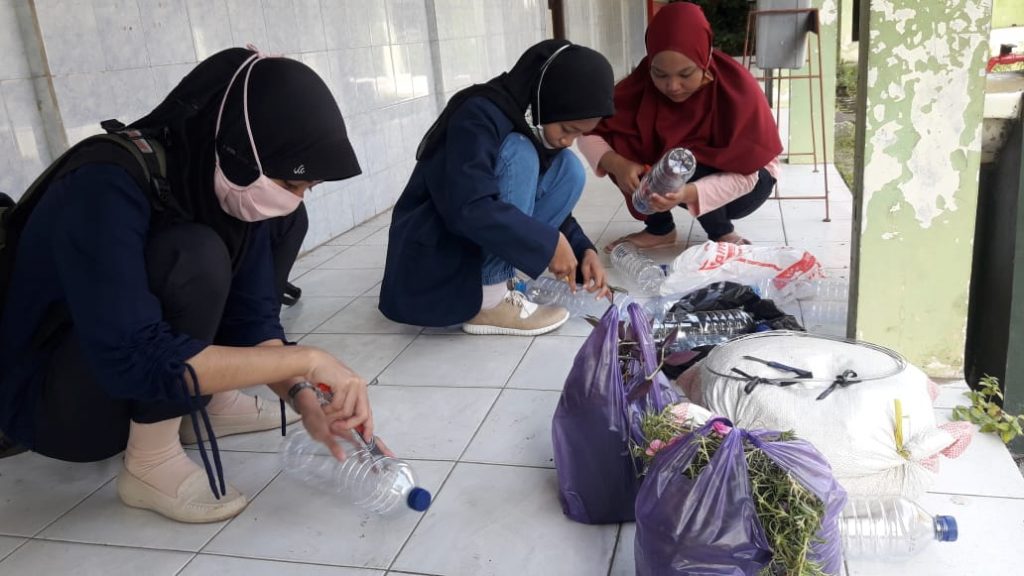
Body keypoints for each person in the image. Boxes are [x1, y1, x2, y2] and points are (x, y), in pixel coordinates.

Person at [0, 47, 376, 523]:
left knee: (269, 228)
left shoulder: (221, 182)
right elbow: (132, 357)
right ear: (238, 147)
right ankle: (150, 460)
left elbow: (252, 321)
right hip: (51, 406)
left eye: (307, 187)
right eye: (289, 181)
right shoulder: (104, 185)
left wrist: (307, 398)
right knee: (191, 255)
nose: (294, 197)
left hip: (129, 372)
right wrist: (309, 358)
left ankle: (208, 403)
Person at [379, 40, 616, 336]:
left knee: (569, 168)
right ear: (547, 101)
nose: (569, 140)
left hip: (471, 239)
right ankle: (490, 299)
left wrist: (583, 251)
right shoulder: (478, 114)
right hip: (440, 247)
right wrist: (548, 242)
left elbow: (537, 192)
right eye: (568, 129)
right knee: (522, 152)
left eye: (580, 134)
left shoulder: (530, 118)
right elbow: (468, 205)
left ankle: (497, 282)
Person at [579, 2, 782, 250]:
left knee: (684, 159)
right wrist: (618, 165)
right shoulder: (641, 85)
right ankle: (660, 229)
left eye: (685, 74)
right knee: (625, 141)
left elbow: (747, 176)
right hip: (683, 179)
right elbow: (590, 130)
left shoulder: (735, 89)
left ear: (704, 59)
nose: (672, 86)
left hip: (749, 184)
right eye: (660, 74)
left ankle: (722, 232)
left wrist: (686, 193)